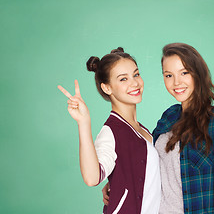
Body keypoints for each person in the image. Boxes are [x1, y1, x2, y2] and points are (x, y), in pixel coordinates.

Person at [103, 43, 214, 213]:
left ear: (197, 74)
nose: (177, 82)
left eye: (184, 73)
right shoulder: (169, 116)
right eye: (169, 75)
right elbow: (148, 161)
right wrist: (116, 181)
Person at [58, 47, 161, 214]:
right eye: (123, 79)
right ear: (107, 88)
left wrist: (117, 182)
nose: (134, 83)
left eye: (136, 74)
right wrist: (83, 122)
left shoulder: (143, 130)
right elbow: (92, 178)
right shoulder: (111, 131)